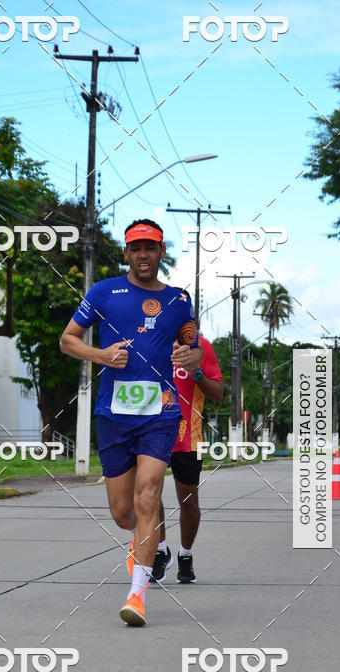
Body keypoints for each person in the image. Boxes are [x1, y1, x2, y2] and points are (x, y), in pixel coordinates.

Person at [60, 219, 202, 627]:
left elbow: (190, 347)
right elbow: (67, 339)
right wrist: (101, 356)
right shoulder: (104, 292)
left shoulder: (179, 300)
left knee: (148, 495)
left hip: (161, 412)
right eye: (136, 248)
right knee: (125, 512)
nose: (144, 255)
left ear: (161, 253)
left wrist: (190, 359)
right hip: (114, 414)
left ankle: (137, 596)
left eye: (151, 248)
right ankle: (144, 536)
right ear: (126, 253)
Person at [150, 335, 223, 584]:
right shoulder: (148, 339)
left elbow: (218, 394)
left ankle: (185, 554)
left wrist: (195, 371)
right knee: (149, 494)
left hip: (188, 437)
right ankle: (160, 551)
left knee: (189, 503)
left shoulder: (201, 348)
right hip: (151, 431)